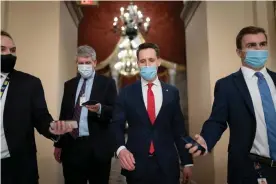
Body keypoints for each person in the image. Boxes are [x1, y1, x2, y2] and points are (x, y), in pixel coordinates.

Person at [185, 26, 276, 184]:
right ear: (239, 52)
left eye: (262, 44)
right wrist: (206, 139)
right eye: (251, 46)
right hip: (251, 169)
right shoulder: (227, 86)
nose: (258, 49)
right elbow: (217, 121)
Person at [111, 43, 193, 184]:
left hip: (167, 166)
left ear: (158, 61)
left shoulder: (172, 92)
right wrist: (121, 149)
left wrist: (187, 162)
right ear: (137, 64)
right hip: (136, 165)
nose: (147, 65)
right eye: (143, 61)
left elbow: (179, 130)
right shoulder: (126, 93)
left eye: (151, 60)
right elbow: (116, 125)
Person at [1, 30, 73, 184]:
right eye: (2, 49)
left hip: (16, 168)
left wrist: (53, 129)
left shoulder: (29, 84)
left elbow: (41, 117)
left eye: (12, 50)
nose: (9, 54)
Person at [53, 45, 117, 184]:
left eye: (87, 62)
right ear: (76, 64)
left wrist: (100, 109)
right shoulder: (69, 85)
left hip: (98, 148)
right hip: (72, 148)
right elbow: (64, 115)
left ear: (94, 62)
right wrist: (58, 144)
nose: (84, 66)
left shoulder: (107, 84)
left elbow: (115, 112)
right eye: (81, 63)